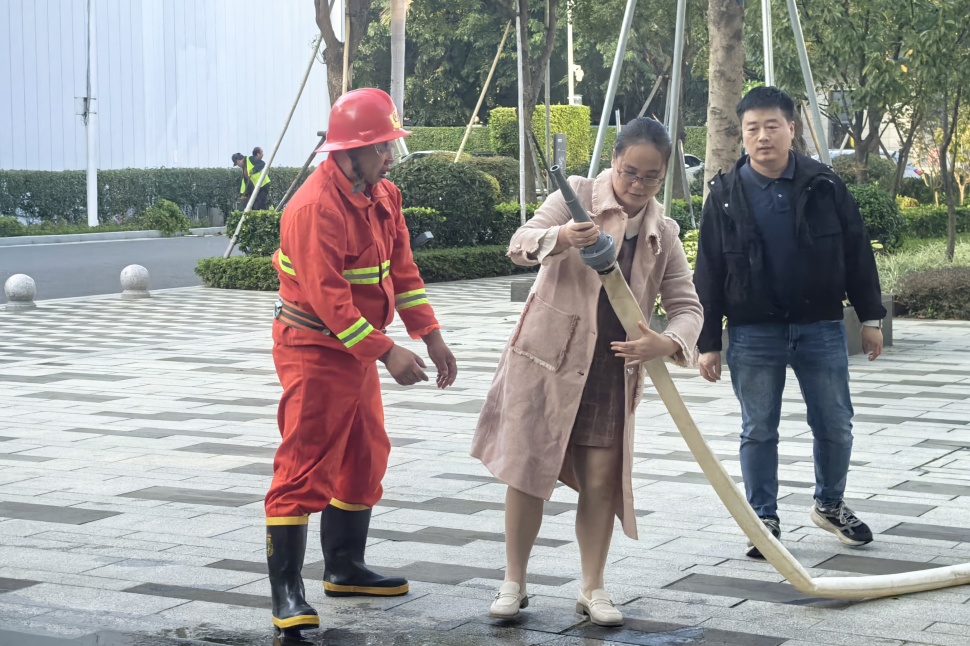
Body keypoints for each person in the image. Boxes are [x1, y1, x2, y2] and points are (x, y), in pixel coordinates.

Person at [471, 118, 703, 626]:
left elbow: (687, 306)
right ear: (614, 161)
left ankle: (593, 587)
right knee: (527, 471)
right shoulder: (574, 194)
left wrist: (667, 341)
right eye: (629, 172)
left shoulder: (663, 233)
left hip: (610, 369)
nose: (637, 184)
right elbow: (520, 242)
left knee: (601, 481)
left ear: (664, 175)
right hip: (546, 361)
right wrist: (559, 236)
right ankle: (514, 581)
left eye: (651, 176)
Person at [263, 88, 458, 639]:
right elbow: (329, 300)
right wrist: (387, 351)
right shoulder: (314, 208)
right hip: (314, 349)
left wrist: (431, 336)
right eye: (382, 147)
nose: (390, 157)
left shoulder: (383, 194)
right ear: (350, 151)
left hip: (355, 348)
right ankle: (286, 593)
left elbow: (403, 271)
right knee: (304, 465)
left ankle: (345, 568)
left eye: (390, 146)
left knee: (365, 453)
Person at [692, 86, 886, 560]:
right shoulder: (724, 195)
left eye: (771, 126)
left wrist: (870, 317)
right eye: (752, 128)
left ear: (791, 129)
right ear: (742, 135)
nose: (762, 136)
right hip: (753, 330)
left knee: (835, 424)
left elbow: (856, 249)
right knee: (758, 428)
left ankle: (830, 504)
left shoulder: (824, 184)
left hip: (819, 326)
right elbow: (708, 269)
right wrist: (707, 341)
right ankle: (763, 519)